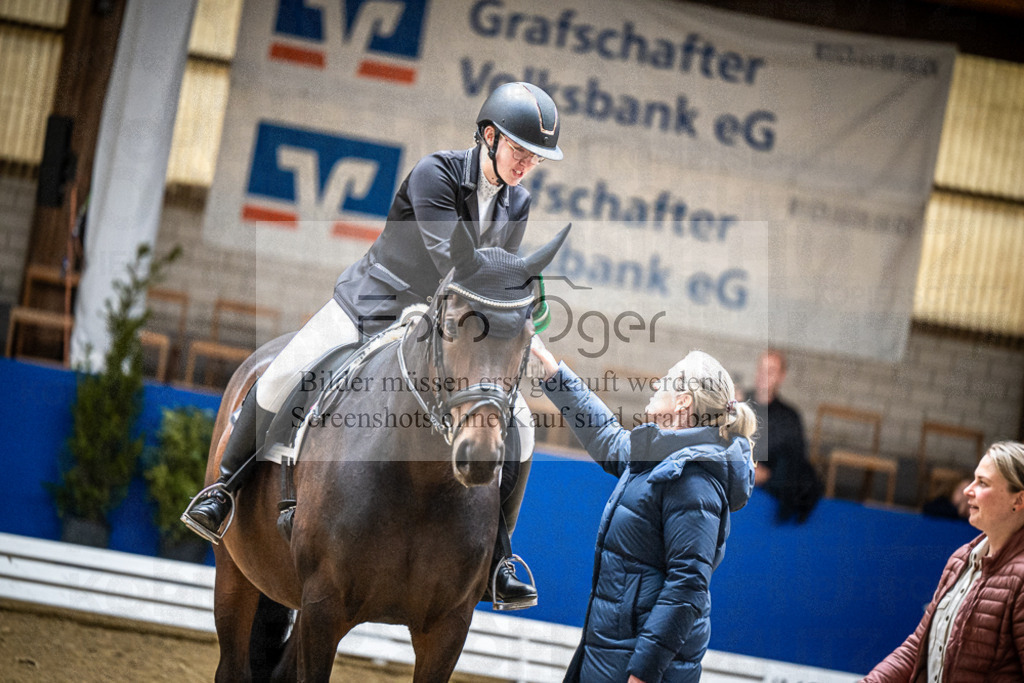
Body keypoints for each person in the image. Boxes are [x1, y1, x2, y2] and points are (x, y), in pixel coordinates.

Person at [182, 81, 564, 609]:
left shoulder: (516, 204)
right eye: (520, 150)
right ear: (489, 135)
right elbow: (449, 262)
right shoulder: (436, 173)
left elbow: (492, 282)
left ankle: (498, 555)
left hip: (443, 329)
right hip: (375, 303)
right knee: (286, 371)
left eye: (535, 157)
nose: (526, 165)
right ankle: (224, 490)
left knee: (518, 420)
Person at [531, 340, 756, 683]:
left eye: (666, 379)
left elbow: (688, 586)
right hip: (612, 653)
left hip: (636, 668)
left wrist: (643, 674)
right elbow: (606, 435)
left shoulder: (694, 480)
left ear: (683, 401)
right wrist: (553, 371)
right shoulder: (661, 456)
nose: (655, 384)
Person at [863, 441, 1024, 682]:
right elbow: (919, 647)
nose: (968, 490)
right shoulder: (960, 560)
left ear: (1018, 500)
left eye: (983, 483)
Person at [749, 349, 821, 523]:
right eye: (761, 369)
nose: (763, 376)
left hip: (767, 497)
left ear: (781, 376)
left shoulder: (789, 418)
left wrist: (767, 475)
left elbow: (795, 462)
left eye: (771, 371)